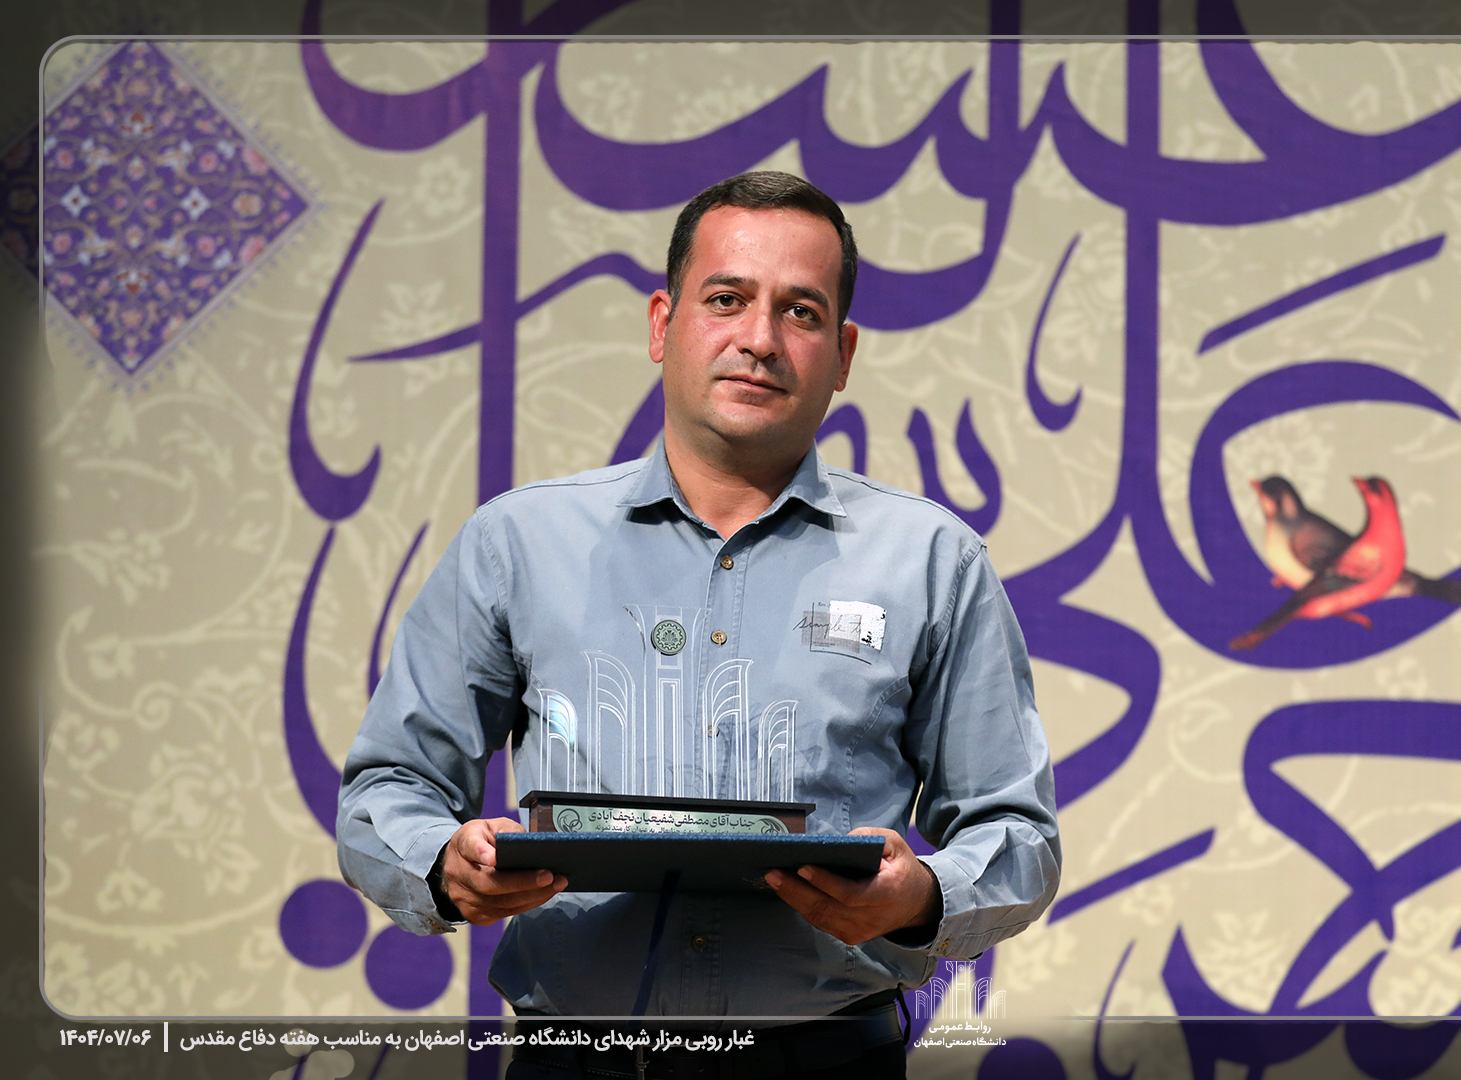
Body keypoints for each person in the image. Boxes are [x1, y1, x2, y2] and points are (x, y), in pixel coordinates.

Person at [335, 171, 1060, 1078]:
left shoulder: (933, 561)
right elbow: (387, 787)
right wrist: (445, 863)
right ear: (661, 324)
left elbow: (1018, 836)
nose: (759, 339)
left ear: (842, 355)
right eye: (726, 299)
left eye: (801, 312)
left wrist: (920, 896)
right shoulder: (516, 543)